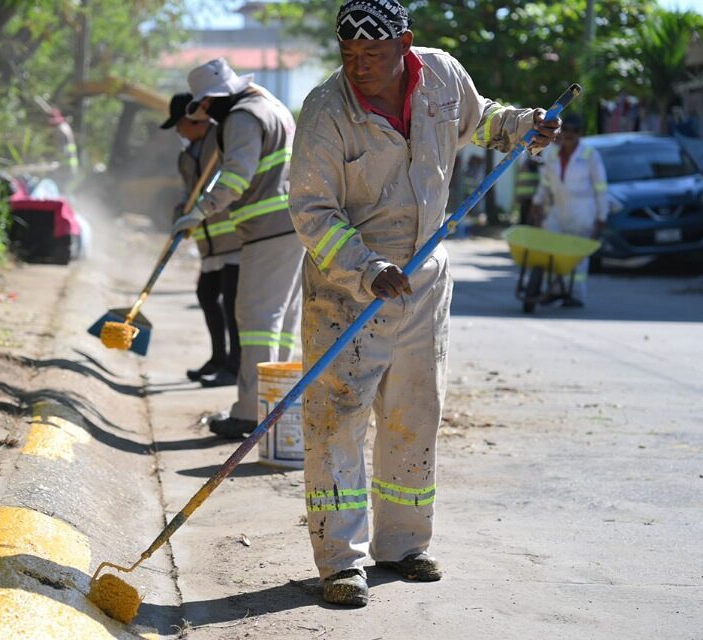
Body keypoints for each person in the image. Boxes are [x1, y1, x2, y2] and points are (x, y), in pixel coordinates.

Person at [288, 0, 558, 607]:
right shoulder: (327, 111)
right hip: (347, 286)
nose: (359, 66)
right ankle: (340, 561)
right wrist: (367, 266)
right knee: (337, 422)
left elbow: (481, 119)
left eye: (373, 54)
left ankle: (404, 545)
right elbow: (311, 210)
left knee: (415, 413)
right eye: (348, 54)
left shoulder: (440, 76)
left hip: (426, 278)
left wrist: (523, 126)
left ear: (405, 43)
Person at [172, 58, 302, 438]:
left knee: (256, 321)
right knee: (279, 324)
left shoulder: (242, 117)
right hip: (294, 227)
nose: (208, 115)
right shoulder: (273, 107)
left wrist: (199, 211)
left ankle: (250, 413)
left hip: (268, 231)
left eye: (208, 106)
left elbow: (235, 177)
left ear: (215, 97)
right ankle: (273, 408)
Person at [160, 92, 242, 386]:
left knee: (233, 304)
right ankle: (218, 358)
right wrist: (181, 211)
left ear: (193, 118)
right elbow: (188, 191)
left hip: (233, 239)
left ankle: (235, 366)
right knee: (207, 296)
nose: (179, 131)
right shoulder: (187, 156)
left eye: (179, 124)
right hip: (208, 243)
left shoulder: (220, 141)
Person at [531, 113, 608, 306]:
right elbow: (545, 183)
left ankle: (575, 295)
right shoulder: (552, 155)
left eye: (574, 131)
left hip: (583, 211)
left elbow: (601, 188)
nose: (569, 135)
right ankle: (556, 288)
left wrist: (602, 216)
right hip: (560, 208)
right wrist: (538, 202)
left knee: (577, 256)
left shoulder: (590, 155)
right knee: (551, 249)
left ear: (580, 133)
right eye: (565, 130)